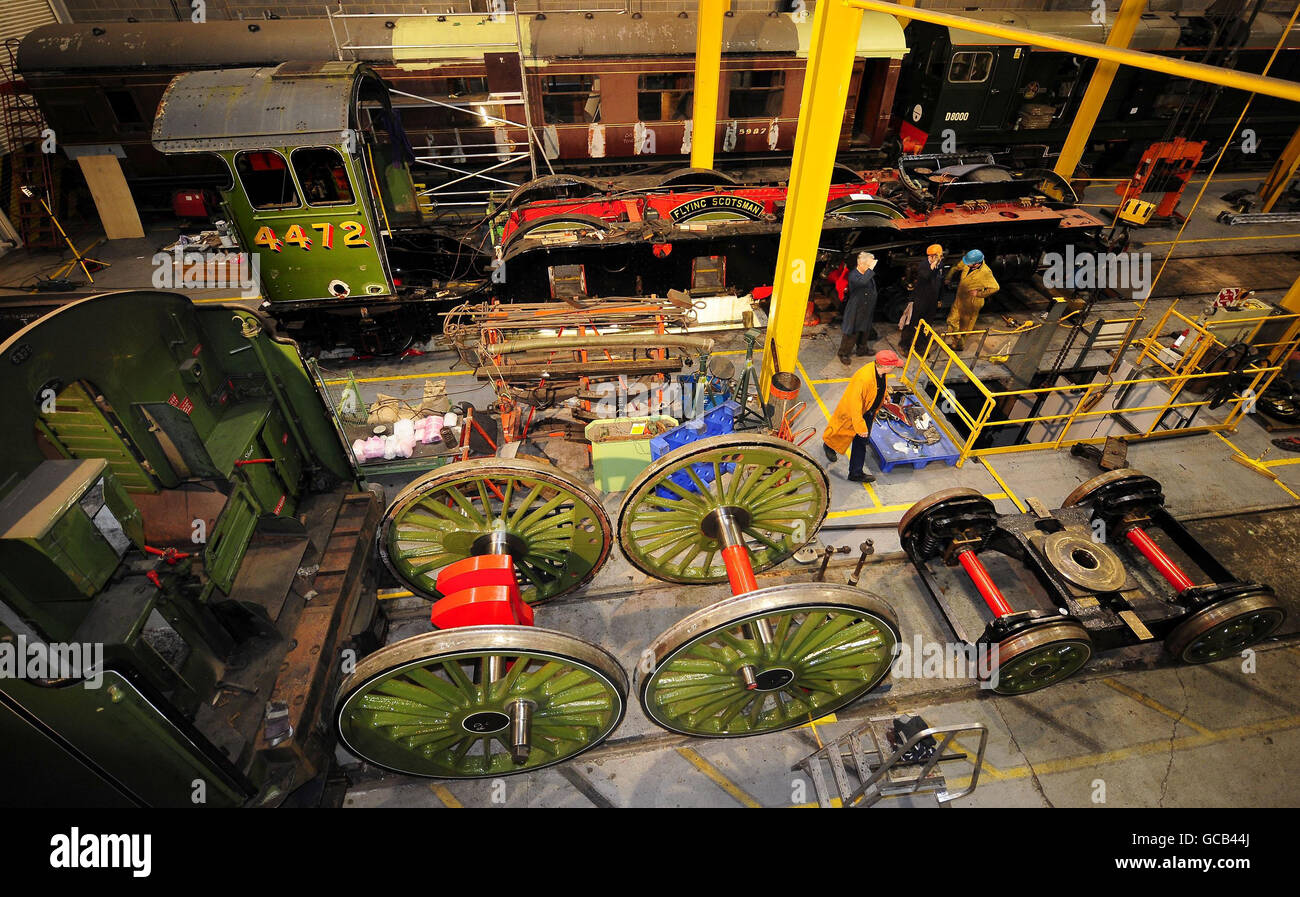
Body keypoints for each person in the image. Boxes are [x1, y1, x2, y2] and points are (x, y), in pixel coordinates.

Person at [821, 350, 903, 483]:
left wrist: (884, 396)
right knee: (842, 431)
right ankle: (829, 445)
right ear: (885, 366)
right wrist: (860, 426)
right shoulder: (864, 378)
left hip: (869, 411)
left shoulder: (880, 372)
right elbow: (855, 405)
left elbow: (879, 387)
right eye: (893, 366)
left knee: (860, 443)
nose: (894, 368)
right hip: (857, 413)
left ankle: (855, 472)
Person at [945, 249, 999, 351]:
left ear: (976, 264)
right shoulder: (967, 262)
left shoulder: (985, 272)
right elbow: (956, 267)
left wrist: (979, 294)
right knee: (951, 320)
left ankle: (958, 345)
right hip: (960, 298)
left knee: (965, 326)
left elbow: (995, 287)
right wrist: (948, 277)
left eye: (968, 264)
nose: (966, 265)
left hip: (972, 302)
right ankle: (956, 339)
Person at [901, 243, 944, 354]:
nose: (939, 258)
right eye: (936, 256)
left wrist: (939, 299)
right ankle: (904, 345)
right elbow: (925, 277)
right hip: (919, 300)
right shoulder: (923, 266)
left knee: (926, 325)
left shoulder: (940, 266)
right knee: (911, 323)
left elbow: (940, 283)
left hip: (932, 301)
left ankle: (920, 347)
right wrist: (933, 265)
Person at [839, 251, 878, 364]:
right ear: (861, 264)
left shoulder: (866, 273)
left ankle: (862, 349)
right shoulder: (853, 275)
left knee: (865, 330)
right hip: (856, 308)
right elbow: (862, 282)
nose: (870, 268)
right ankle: (844, 353)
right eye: (868, 265)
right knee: (852, 332)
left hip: (866, 308)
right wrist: (870, 270)